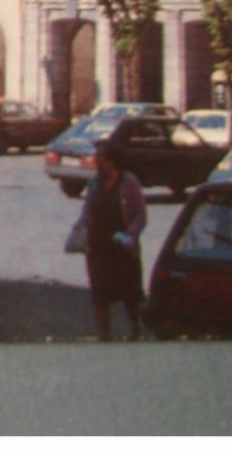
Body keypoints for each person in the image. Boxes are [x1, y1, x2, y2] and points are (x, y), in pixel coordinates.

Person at [78, 136, 147, 341]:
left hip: (122, 247)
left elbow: (140, 215)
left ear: (111, 160)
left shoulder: (129, 183)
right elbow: (88, 209)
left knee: (130, 294)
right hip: (98, 246)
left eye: (99, 157)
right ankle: (104, 335)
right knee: (100, 294)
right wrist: (81, 226)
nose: (96, 161)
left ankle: (135, 329)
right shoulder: (95, 182)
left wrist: (131, 234)